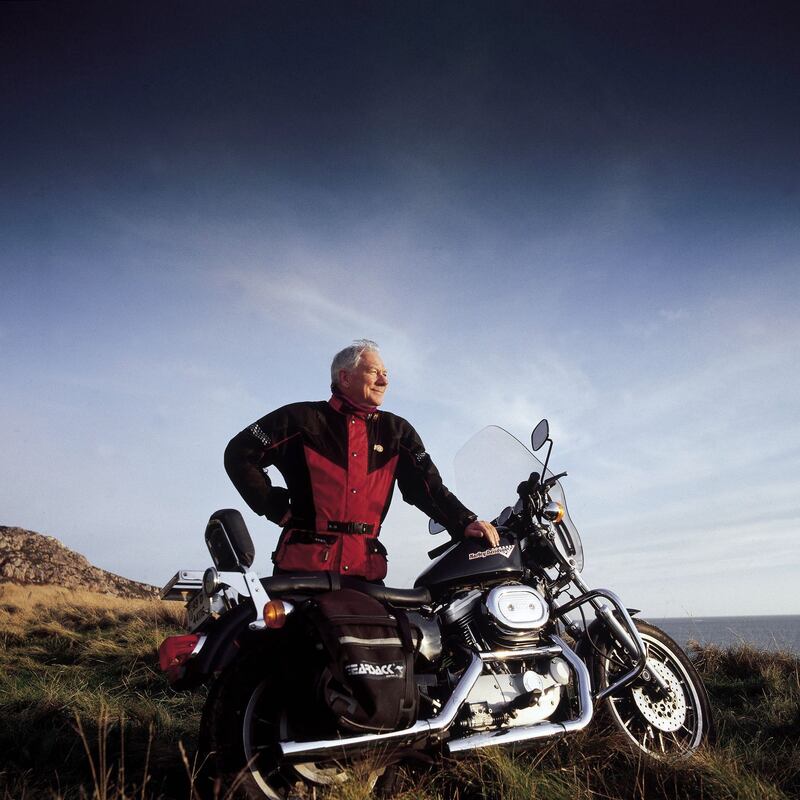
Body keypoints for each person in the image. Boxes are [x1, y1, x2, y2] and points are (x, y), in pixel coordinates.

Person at [224, 339, 499, 581]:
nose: (384, 380)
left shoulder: (397, 431)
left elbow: (427, 488)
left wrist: (464, 521)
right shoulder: (299, 419)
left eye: (386, 373)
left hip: (365, 573)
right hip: (302, 568)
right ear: (345, 378)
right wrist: (273, 505)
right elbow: (239, 453)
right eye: (374, 372)